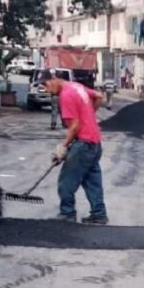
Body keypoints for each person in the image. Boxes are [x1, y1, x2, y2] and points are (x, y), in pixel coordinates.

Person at [35, 70, 108, 225]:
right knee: (92, 180)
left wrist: (63, 147)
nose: (46, 90)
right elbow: (98, 96)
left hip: (84, 143)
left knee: (66, 181)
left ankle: (67, 213)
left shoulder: (65, 96)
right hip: (95, 142)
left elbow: (74, 126)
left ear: (54, 78)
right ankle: (99, 214)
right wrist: (88, 115)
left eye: (46, 84)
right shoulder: (76, 86)